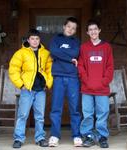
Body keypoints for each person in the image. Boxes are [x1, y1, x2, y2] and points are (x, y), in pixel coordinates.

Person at [9, 29, 53, 148]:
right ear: (28, 40)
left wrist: (48, 83)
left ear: (39, 40)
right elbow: (13, 70)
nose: (35, 41)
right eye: (32, 38)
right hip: (27, 89)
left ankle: (40, 138)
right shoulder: (21, 53)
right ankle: (19, 138)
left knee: (39, 116)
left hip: (40, 90)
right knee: (23, 115)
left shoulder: (45, 53)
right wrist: (21, 85)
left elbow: (50, 69)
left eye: (37, 39)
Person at [78, 19, 114, 148]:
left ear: (99, 30)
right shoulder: (84, 47)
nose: (93, 31)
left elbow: (110, 67)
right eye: (90, 29)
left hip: (102, 88)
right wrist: (86, 80)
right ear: (88, 32)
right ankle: (88, 136)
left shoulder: (106, 47)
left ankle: (102, 136)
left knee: (102, 113)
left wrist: (103, 82)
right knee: (87, 113)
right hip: (87, 88)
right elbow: (80, 66)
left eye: (95, 29)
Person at [48, 17, 82, 147]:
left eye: (73, 28)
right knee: (56, 108)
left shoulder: (76, 41)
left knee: (75, 108)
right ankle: (55, 135)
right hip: (58, 77)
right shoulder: (56, 39)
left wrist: (63, 54)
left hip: (73, 78)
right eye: (69, 27)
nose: (71, 29)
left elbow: (75, 52)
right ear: (64, 26)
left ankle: (76, 135)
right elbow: (54, 52)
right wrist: (70, 59)